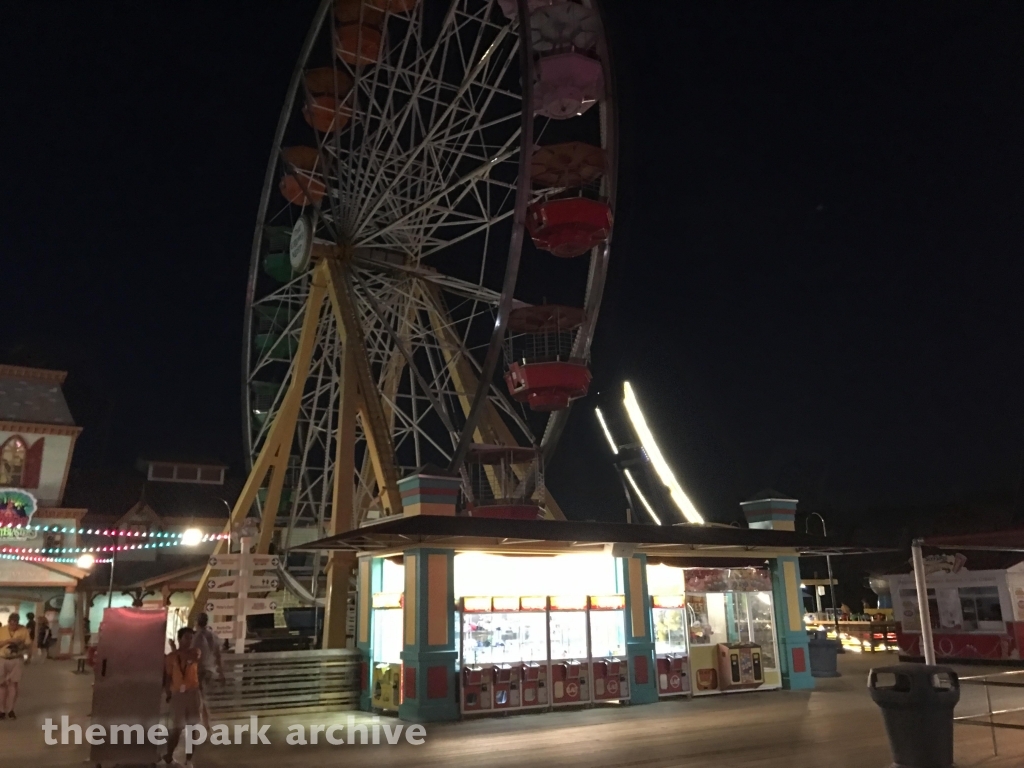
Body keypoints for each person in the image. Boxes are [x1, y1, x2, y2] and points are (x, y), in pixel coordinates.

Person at [163, 627, 203, 766]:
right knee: (177, 728)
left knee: (192, 728)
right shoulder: (171, 657)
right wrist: (168, 693)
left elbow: (192, 659)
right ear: (180, 638)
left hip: (192, 692)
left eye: (191, 638)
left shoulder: (195, 652)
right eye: (186, 638)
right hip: (178, 694)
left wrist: (176, 650)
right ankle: (168, 755)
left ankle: (189, 760)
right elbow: (168, 676)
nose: (189, 641)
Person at [0, 613, 32, 719]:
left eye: (15, 623)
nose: (13, 625)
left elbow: (28, 645)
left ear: (18, 622)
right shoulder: (2, 630)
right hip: (2, 659)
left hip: (16, 660)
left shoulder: (23, 631)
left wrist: (21, 645)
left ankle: (11, 710)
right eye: (11, 623)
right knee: (2, 685)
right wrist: (9, 641)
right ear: (8, 622)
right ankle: (1, 710)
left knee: (13, 685)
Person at [192, 613, 225, 690]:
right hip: (211, 670)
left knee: (198, 694)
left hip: (199, 670)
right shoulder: (214, 636)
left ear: (196, 622)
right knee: (204, 694)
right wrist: (221, 672)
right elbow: (218, 655)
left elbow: (193, 654)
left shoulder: (196, 637)